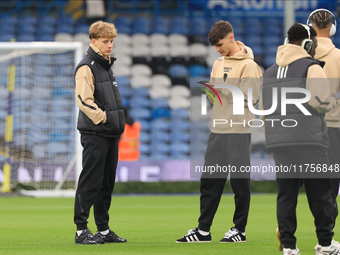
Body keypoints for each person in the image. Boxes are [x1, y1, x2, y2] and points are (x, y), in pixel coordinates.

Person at [176, 20, 262, 243]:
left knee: (239, 182)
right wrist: (211, 91)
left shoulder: (249, 66)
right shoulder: (218, 63)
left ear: (231, 38)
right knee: (210, 180)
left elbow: (250, 99)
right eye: (214, 45)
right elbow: (216, 97)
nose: (217, 48)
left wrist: (223, 90)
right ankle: (203, 231)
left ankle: (239, 230)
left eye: (220, 43)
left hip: (239, 130)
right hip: (218, 128)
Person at [262, 23, 339, 255]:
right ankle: (325, 245)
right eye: (313, 43)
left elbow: (264, 109)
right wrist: (333, 101)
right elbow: (319, 101)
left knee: (286, 195)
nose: (315, 47)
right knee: (321, 194)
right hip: (309, 140)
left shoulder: (269, 71)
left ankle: (289, 247)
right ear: (307, 43)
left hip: (280, 141)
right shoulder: (312, 67)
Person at [73, 20, 127, 244]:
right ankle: (81, 230)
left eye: (112, 41)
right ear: (93, 41)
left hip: (109, 134)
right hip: (96, 133)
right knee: (91, 181)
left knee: (106, 183)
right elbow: (83, 101)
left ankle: (103, 230)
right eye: (105, 41)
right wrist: (104, 118)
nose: (110, 45)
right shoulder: (87, 66)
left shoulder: (105, 65)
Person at [308, 7, 340, 238]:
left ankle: (287, 226)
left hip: (305, 127)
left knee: (300, 182)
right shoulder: (339, 56)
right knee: (331, 183)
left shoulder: (301, 56)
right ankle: (327, 235)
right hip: (334, 126)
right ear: (333, 27)